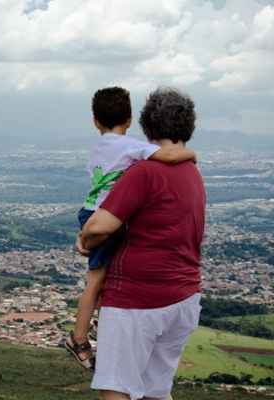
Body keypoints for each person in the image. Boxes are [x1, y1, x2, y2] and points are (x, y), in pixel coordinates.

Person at [77, 87, 205, 400]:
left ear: (146, 126)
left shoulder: (143, 171)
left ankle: (76, 336)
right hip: (183, 296)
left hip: (138, 299)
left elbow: (100, 226)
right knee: (155, 392)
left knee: (116, 389)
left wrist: (83, 239)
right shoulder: (192, 172)